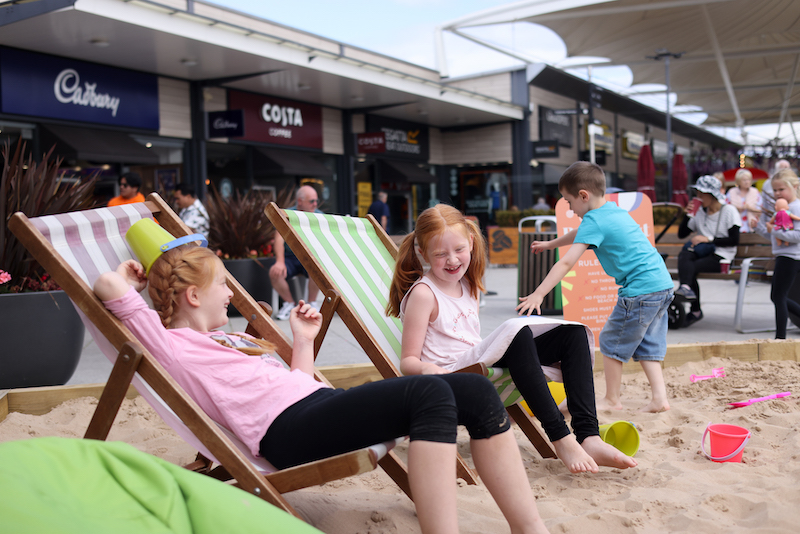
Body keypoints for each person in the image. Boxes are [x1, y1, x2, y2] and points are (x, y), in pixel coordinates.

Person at [94, 226, 550, 534]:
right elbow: (109, 289)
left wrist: (303, 341)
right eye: (223, 286)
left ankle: (531, 529)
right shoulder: (170, 344)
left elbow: (293, 385)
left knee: (474, 388)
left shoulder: (227, 340)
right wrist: (127, 274)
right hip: (287, 433)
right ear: (193, 295)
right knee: (429, 392)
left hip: (311, 408)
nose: (231, 294)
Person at [386, 204, 637, 474]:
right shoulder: (424, 294)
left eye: (458, 250)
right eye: (440, 254)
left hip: (479, 365)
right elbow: (408, 361)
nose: (452, 260)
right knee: (516, 333)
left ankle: (589, 436)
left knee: (572, 333)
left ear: (471, 242)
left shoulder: (468, 285)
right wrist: (426, 369)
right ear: (422, 253)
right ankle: (561, 438)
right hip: (452, 377)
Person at [518, 162, 673, 413]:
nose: (569, 208)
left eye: (569, 202)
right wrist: (551, 244)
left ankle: (612, 399)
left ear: (583, 196)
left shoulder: (594, 221)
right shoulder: (613, 211)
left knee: (611, 340)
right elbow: (581, 233)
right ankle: (659, 399)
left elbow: (567, 261)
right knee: (648, 344)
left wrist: (539, 294)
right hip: (662, 286)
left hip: (640, 291)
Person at [674, 175, 741, 326]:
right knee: (685, 255)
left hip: (722, 256)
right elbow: (682, 234)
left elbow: (734, 240)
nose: (698, 197)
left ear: (712, 195)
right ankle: (685, 288)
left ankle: (695, 309)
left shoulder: (729, 211)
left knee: (691, 267)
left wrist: (708, 238)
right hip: (702, 253)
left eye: (701, 194)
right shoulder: (700, 212)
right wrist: (687, 215)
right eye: (697, 193)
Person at [269, 185, 322, 320]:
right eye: (311, 201)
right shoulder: (287, 214)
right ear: (300, 201)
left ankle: (311, 304)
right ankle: (289, 304)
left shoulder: (320, 216)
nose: (315, 204)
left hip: (310, 256)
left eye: (316, 201)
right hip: (291, 256)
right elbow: (278, 239)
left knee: (318, 268)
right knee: (275, 272)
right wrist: (280, 262)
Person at [765, 169, 800, 339]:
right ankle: (780, 337)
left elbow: (797, 236)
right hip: (783, 255)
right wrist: (759, 226)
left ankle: (780, 338)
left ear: (795, 187)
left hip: (790, 256)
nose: (777, 193)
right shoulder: (782, 209)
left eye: (781, 189)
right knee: (778, 296)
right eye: (775, 190)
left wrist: (775, 231)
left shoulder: (796, 208)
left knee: (778, 296)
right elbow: (773, 233)